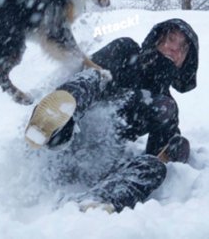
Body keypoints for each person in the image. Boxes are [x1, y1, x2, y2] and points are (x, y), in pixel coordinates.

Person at [25, 18, 199, 213]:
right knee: (96, 76)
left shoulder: (166, 107)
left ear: (186, 61)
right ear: (157, 39)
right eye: (170, 38)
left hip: (96, 163)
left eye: (182, 47)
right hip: (63, 139)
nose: (173, 48)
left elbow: (156, 156)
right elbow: (87, 73)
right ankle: (53, 121)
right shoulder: (127, 51)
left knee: (156, 166)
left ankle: (98, 201)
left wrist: (176, 148)